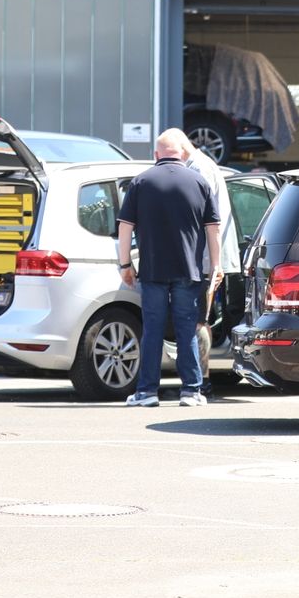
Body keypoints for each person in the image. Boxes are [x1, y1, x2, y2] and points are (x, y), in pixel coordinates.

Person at [115, 129, 223, 408]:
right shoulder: (199, 181)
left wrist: (125, 264)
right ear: (183, 154)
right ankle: (191, 391)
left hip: (152, 271)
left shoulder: (140, 182)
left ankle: (147, 392)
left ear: (156, 155)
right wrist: (217, 265)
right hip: (190, 271)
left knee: (152, 329)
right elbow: (214, 230)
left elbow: (125, 228)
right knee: (187, 329)